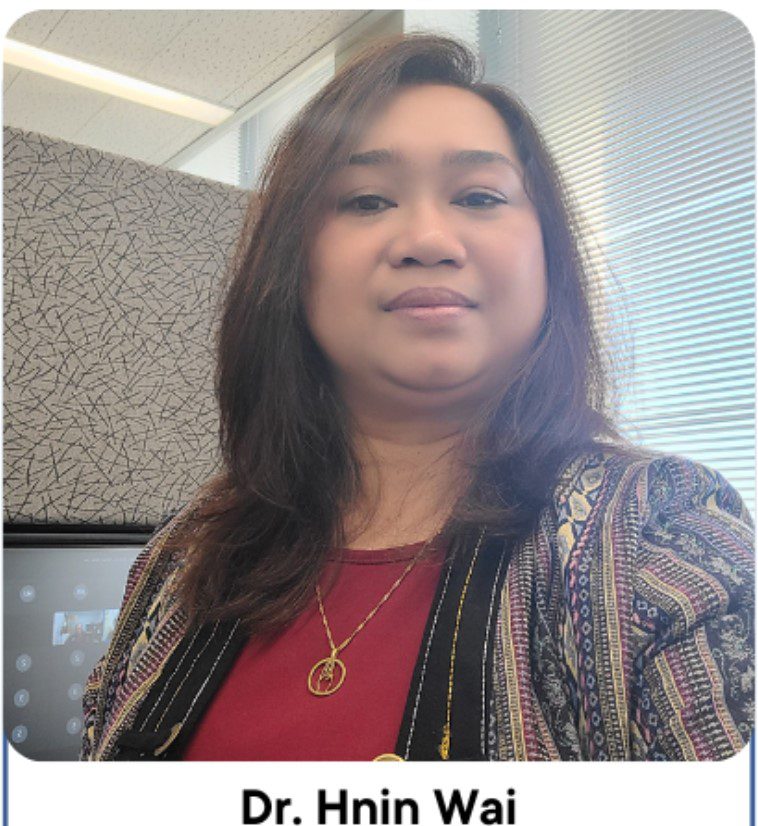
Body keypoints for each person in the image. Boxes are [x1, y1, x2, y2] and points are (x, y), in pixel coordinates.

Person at [80, 34, 753, 762]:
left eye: (478, 196)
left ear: (547, 259)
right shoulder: (181, 559)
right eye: (366, 200)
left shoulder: (662, 534)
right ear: (293, 266)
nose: (429, 238)